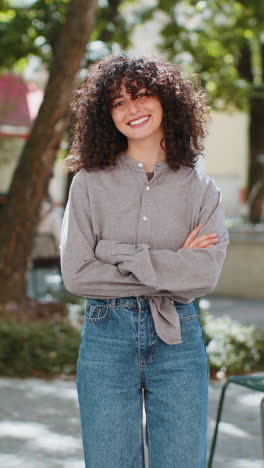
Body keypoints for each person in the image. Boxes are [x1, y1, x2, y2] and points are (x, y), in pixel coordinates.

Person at [60, 54, 229, 468]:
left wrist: (116, 255)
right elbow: (78, 274)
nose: (131, 108)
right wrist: (173, 265)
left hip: (178, 339)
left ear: (167, 100)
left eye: (141, 95)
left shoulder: (202, 188)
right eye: (118, 102)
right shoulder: (88, 183)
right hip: (105, 336)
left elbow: (203, 276)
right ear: (106, 115)